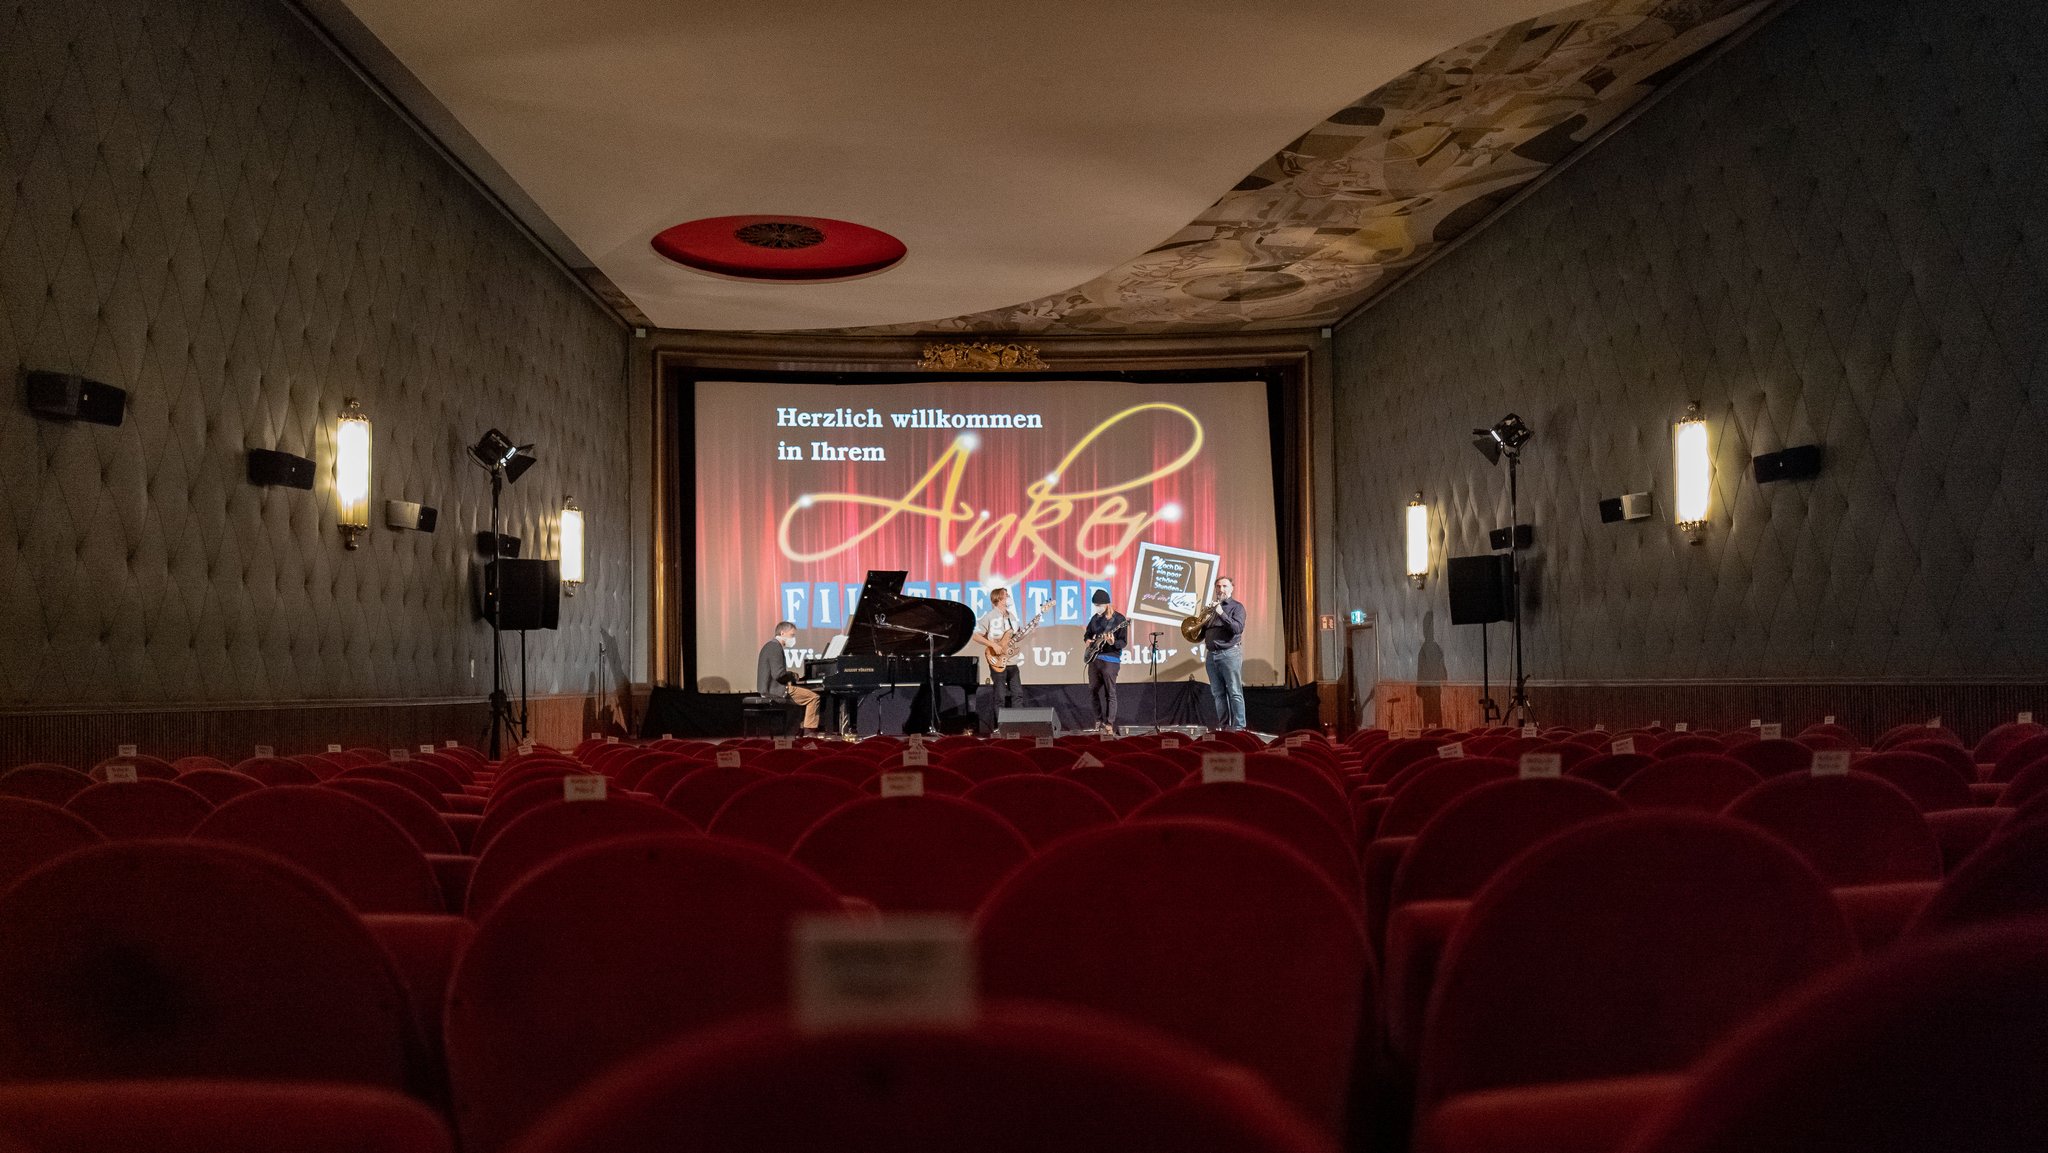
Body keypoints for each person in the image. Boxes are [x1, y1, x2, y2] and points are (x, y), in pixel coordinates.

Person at [972, 587, 1026, 731]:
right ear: (998, 599)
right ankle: (1001, 727)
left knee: (1018, 694)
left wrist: (1029, 631)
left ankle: (1017, 725)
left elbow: (1016, 637)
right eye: (1006, 596)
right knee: (1000, 695)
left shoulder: (1012, 617)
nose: (1008, 598)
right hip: (997, 661)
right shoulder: (989, 616)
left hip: (1012, 662)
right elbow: (976, 635)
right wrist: (992, 645)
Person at [1200, 576, 1246, 731]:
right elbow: (1202, 633)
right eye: (1218, 586)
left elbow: (1237, 629)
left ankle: (1239, 728)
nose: (1221, 590)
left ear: (1232, 588)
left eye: (1225, 586)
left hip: (1229, 654)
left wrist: (1221, 613)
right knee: (1218, 694)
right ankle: (1224, 727)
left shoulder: (1236, 607)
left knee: (1234, 692)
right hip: (1211, 655)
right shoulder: (1211, 609)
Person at [756, 621, 819, 734]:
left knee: (801, 702)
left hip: (770, 689)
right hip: (775, 690)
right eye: (792, 635)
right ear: (782, 633)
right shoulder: (775, 647)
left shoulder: (769, 646)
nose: (793, 638)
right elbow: (778, 674)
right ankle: (809, 733)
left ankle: (797, 731)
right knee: (813, 698)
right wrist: (793, 676)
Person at [1082, 588, 1129, 733]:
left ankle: (1109, 723)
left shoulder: (1120, 620)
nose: (1097, 607)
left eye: (1099, 605)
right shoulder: (1095, 618)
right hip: (1094, 659)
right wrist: (1088, 641)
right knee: (1092, 690)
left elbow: (1123, 642)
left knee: (1110, 692)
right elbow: (1087, 634)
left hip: (1110, 660)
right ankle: (1098, 721)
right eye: (1095, 605)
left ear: (1106, 604)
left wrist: (1112, 642)